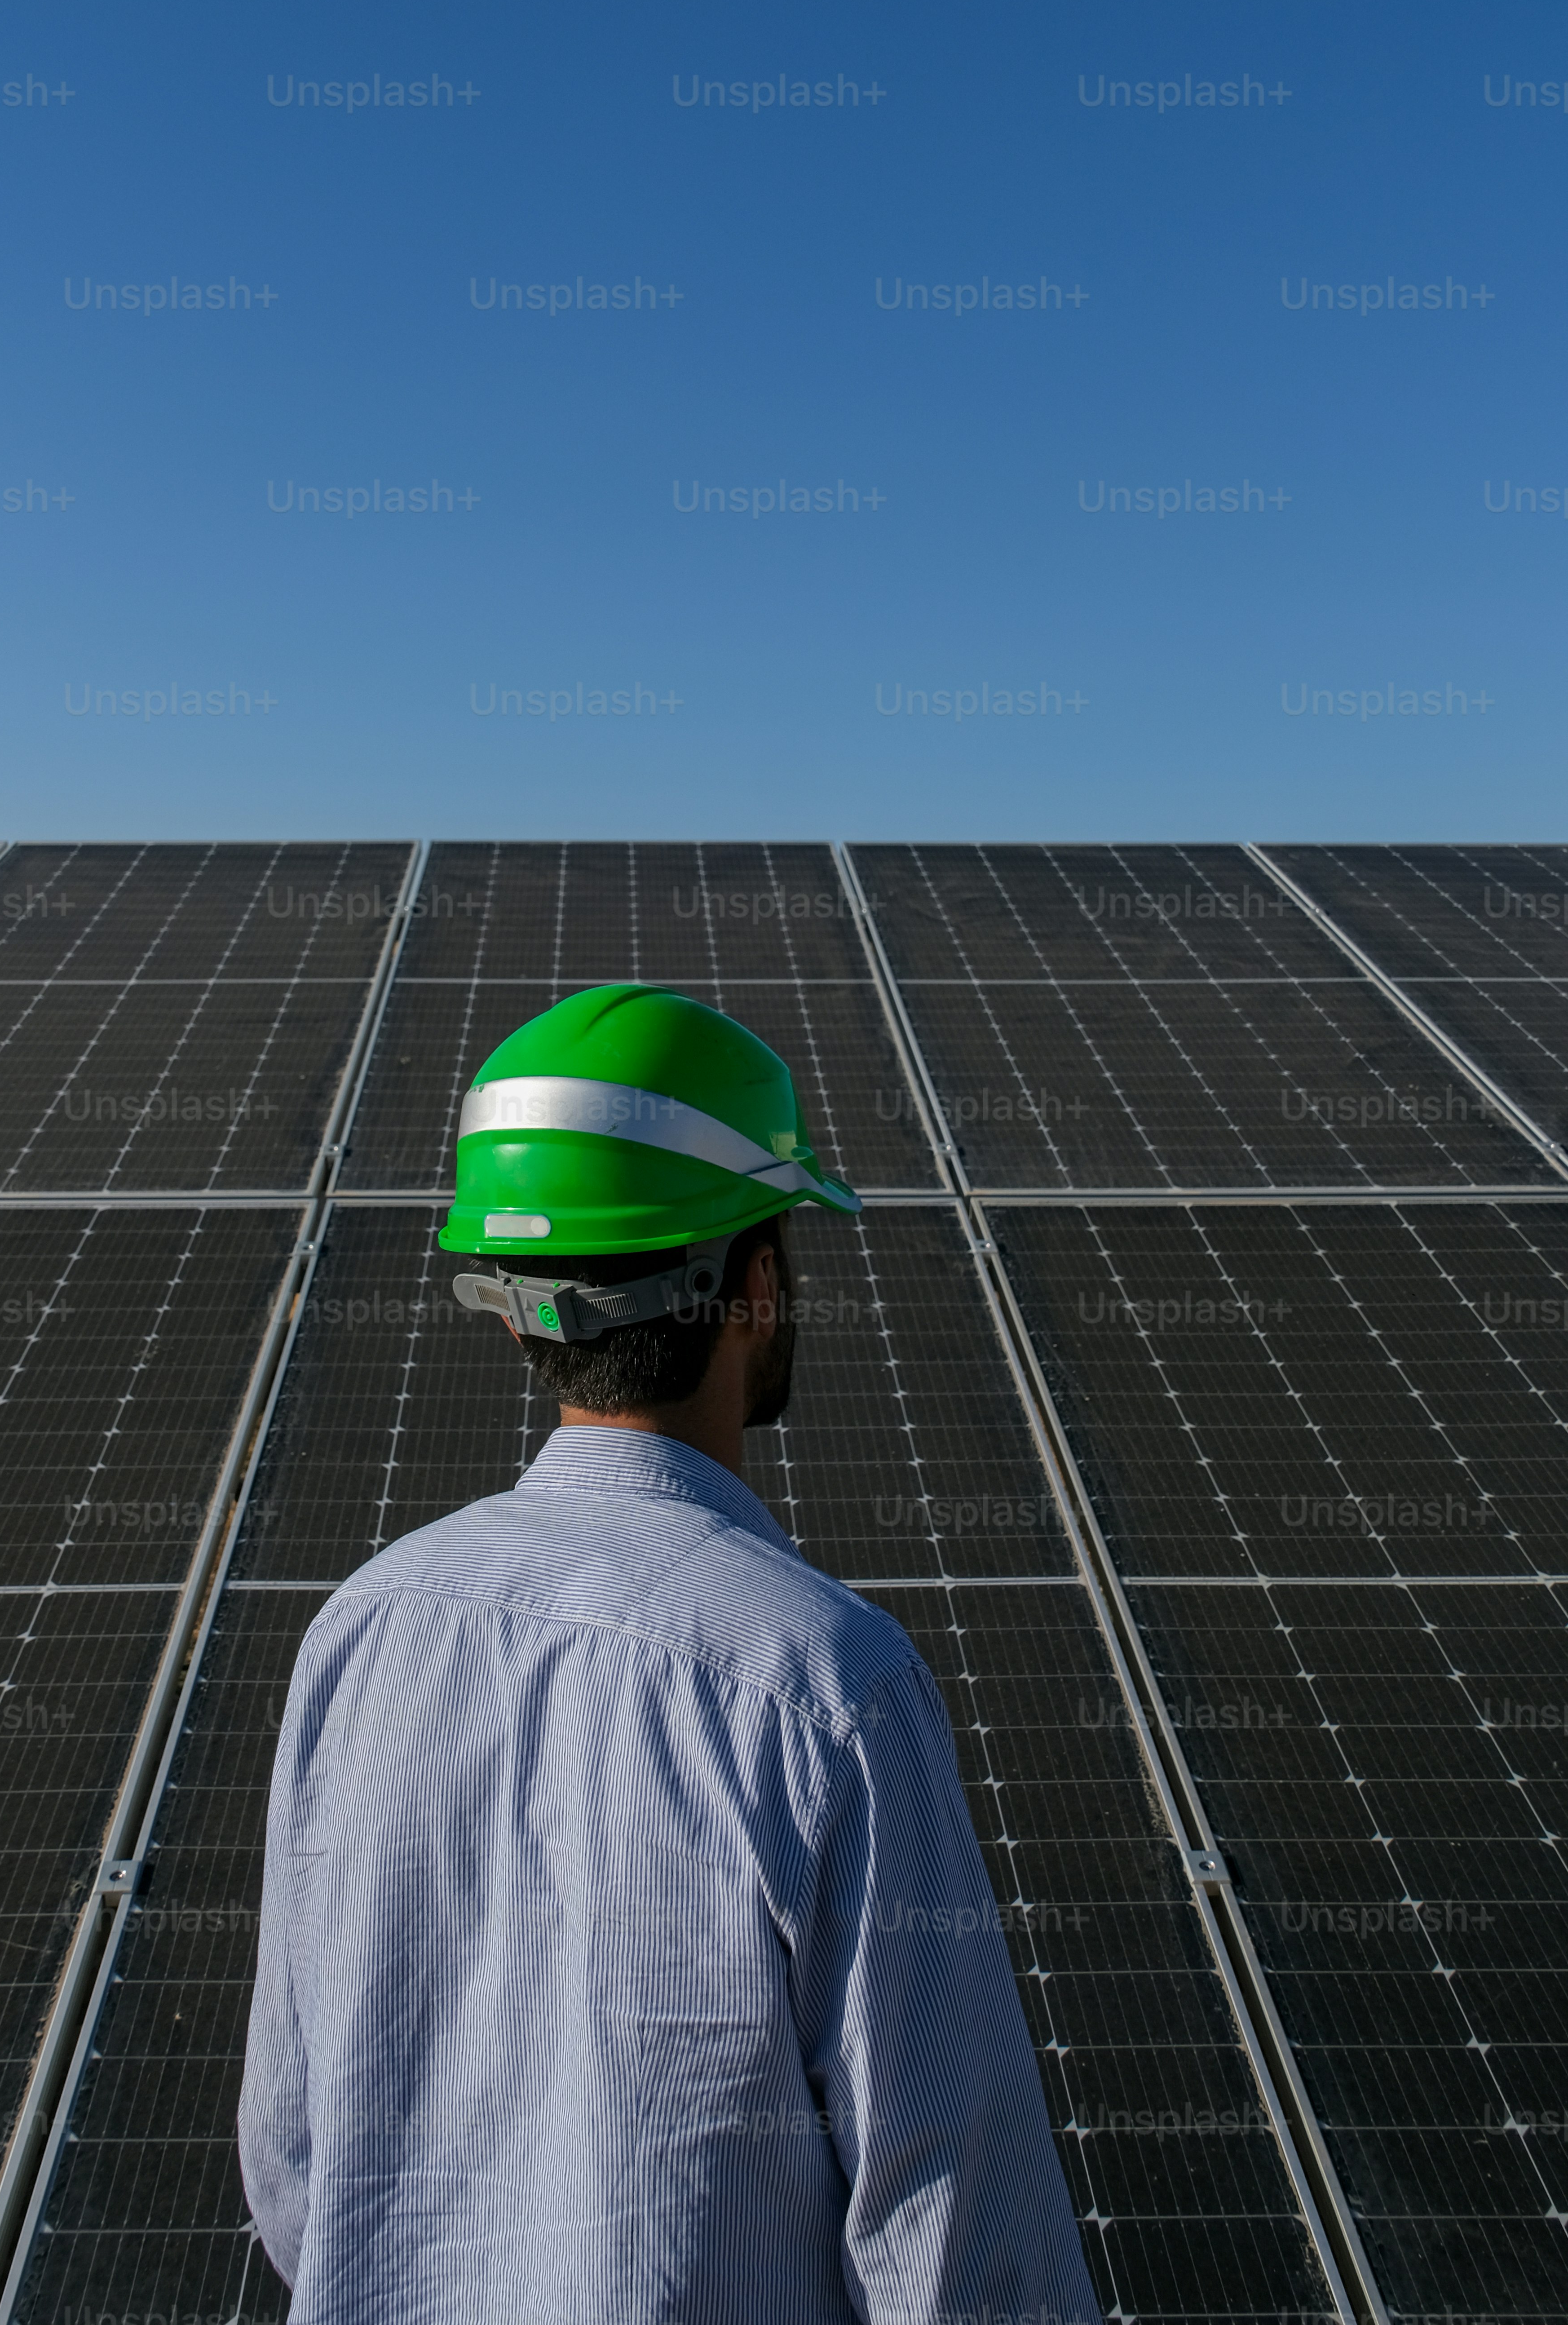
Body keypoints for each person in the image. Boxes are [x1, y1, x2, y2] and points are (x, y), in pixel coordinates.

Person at [241, 983, 1100, 2324]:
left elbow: (295, 2158)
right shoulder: (826, 1682)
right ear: (753, 1283)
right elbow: (952, 2228)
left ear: (521, 1305)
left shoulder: (362, 1626)